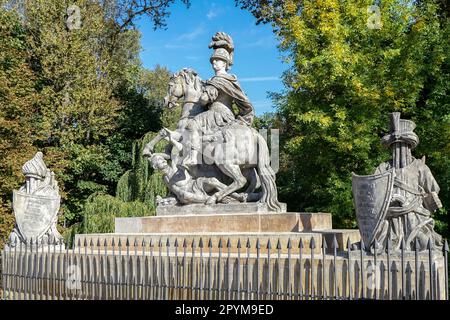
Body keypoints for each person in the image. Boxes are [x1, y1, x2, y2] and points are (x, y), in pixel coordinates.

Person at [181, 32, 255, 168]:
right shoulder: (232, 80)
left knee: (192, 125)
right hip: (229, 115)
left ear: (225, 63)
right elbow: (244, 101)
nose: (214, 62)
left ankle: (192, 157)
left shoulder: (218, 80)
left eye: (218, 60)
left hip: (217, 115)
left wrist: (201, 96)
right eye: (213, 60)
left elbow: (204, 100)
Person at [373, 113, 443, 251]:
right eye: (396, 145)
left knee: (425, 244)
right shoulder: (383, 167)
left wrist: (422, 199)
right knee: (379, 241)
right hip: (389, 217)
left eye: (403, 145)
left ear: (409, 146)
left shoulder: (419, 167)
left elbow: (433, 189)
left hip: (415, 215)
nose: (399, 149)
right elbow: (373, 192)